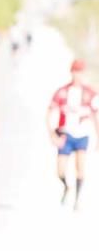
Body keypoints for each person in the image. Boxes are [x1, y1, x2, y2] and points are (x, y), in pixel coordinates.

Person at [47, 59, 99, 210]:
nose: (78, 75)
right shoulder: (63, 91)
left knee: (80, 167)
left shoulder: (90, 93)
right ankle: (66, 186)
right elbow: (49, 111)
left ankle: (77, 199)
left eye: (80, 72)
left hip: (82, 134)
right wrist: (52, 134)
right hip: (66, 134)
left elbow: (95, 115)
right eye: (76, 72)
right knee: (60, 170)